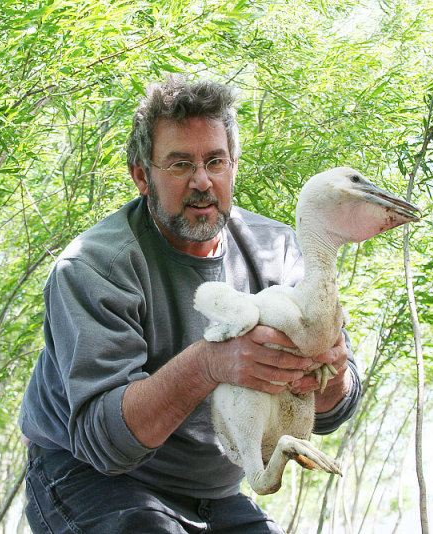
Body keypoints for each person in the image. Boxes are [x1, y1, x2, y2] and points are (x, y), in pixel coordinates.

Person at [19, 76, 362, 533]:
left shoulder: (277, 250)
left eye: (215, 161)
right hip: (91, 478)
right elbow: (105, 443)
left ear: (233, 166)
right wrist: (210, 364)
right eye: (180, 164)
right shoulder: (93, 266)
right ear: (142, 175)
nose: (202, 181)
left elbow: (333, 410)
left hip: (214, 492)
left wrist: (331, 369)